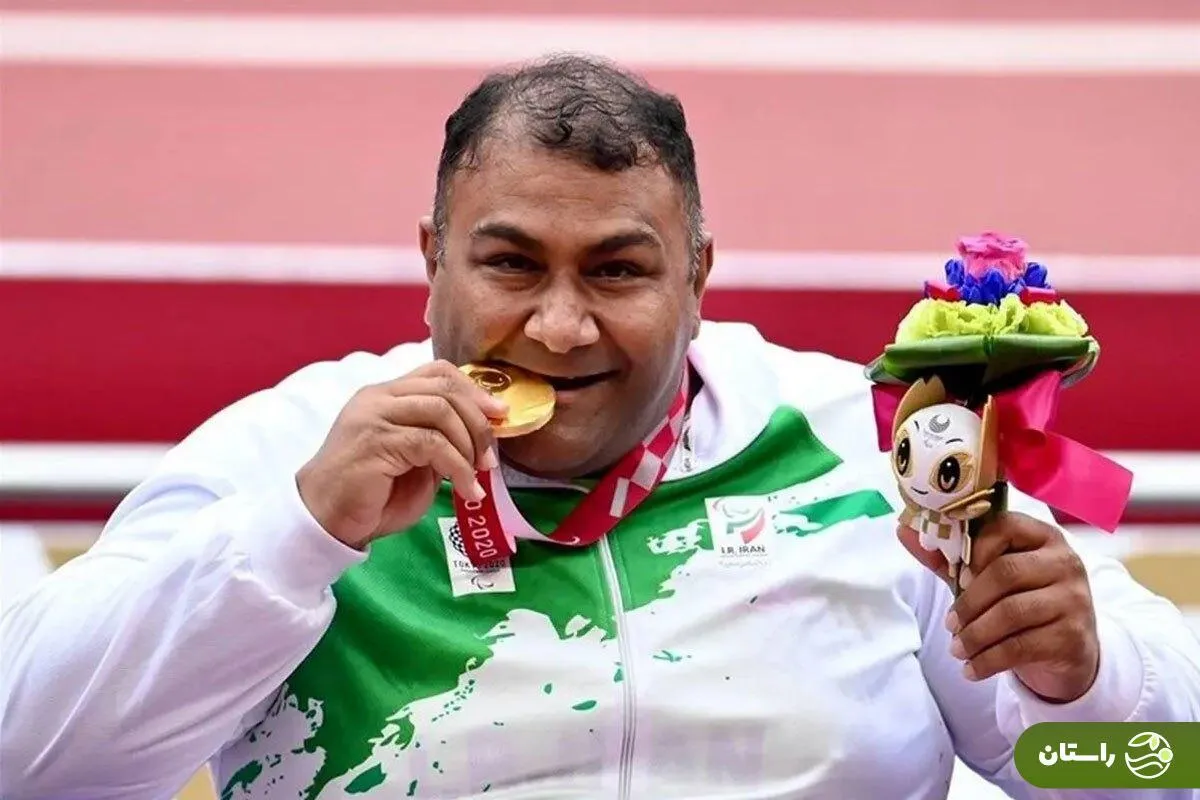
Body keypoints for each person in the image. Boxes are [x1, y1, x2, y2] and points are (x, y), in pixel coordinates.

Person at [2, 54, 1198, 800]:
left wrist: (1089, 684)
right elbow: (33, 763)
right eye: (510, 264)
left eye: (618, 270)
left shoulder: (868, 450)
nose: (560, 327)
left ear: (698, 275)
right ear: (431, 261)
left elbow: (1165, 767)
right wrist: (297, 535)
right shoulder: (293, 454)